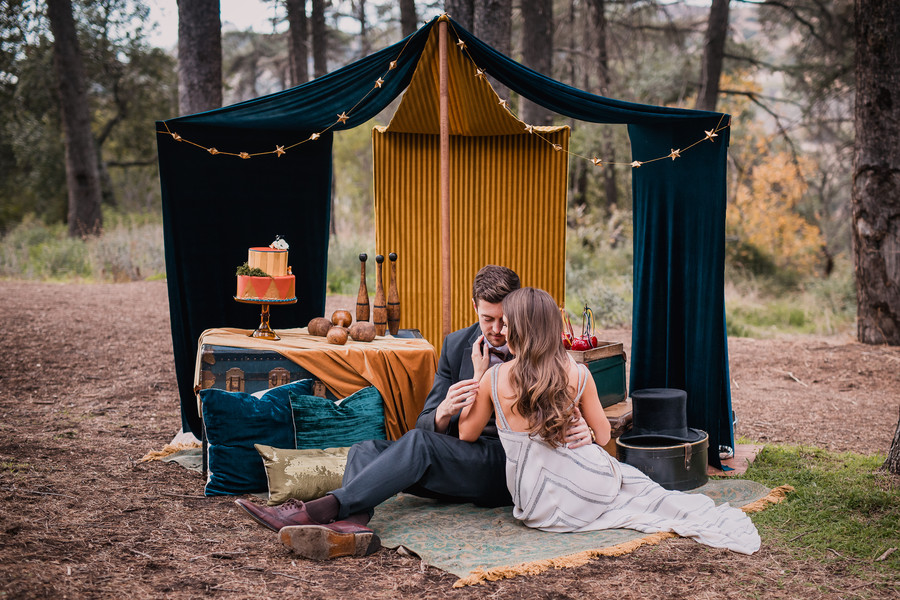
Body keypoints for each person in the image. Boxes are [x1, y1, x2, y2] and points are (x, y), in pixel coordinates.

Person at [235, 266, 594, 559]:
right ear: (475, 308)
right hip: (456, 461)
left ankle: (317, 510)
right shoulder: (456, 345)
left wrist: (587, 431)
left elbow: (569, 405)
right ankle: (353, 526)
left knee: (419, 445)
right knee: (366, 449)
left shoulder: (534, 349)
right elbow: (426, 421)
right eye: (488, 320)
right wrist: (444, 413)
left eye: (504, 320)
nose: (497, 331)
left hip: (504, 468)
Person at [458, 287, 760, 554]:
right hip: (589, 493)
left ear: (521, 331)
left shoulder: (492, 379)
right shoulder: (578, 374)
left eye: (508, 324)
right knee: (636, 485)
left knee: (632, 484)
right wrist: (588, 432)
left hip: (535, 507)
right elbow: (603, 436)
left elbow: (466, 434)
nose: (504, 332)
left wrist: (477, 375)